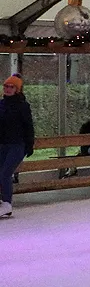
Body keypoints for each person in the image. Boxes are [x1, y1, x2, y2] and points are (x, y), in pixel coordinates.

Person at [0, 75, 34, 219]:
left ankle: (7, 204)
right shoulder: (1, 104)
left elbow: (28, 126)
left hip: (17, 145)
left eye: (11, 87)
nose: (8, 89)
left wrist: (29, 145)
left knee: (5, 173)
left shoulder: (22, 106)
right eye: (6, 86)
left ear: (17, 89)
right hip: (2, 144)